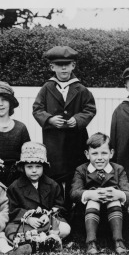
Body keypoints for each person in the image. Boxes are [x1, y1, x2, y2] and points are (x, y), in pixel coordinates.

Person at [32, 46, 96, 209]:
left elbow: (90, 109)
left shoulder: (81, 89)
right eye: (59, 65)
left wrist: (78, 119)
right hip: (54, 142)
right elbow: (37, 109)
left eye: (67, 64)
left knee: (75, 175)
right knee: (54, 175)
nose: (63, 68)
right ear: (52, 67)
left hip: (75, 141)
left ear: (73, 66)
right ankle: (57, 208)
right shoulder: (47, 88)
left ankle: (75, 209)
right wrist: (50, 119)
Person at [70, 132, 129, 255]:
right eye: (94, 153)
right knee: (93, 200)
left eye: (104, 153)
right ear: (87, 155)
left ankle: (118, 240)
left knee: (114, 199)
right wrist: (90, 194)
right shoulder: (81, 170)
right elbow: (74, 193)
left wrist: (118, 194)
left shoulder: (118, 170)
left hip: (114, 217)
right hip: (88, 217)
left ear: (111, 153)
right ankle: (91, 241)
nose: (99, 157)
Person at [5, 142, 70, 251]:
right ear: (22, 167)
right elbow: (12, 210)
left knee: (65, 228)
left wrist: (48, 216)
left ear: (44, 167)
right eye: (29, 167)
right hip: (26, 224)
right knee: (11, 230)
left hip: (47, 222)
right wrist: (28, 219)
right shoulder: (15, 187)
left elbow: (59, 206)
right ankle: (42, 240)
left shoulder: (52, 185)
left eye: (38, 166)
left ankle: (42, 240)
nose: (34, 170)